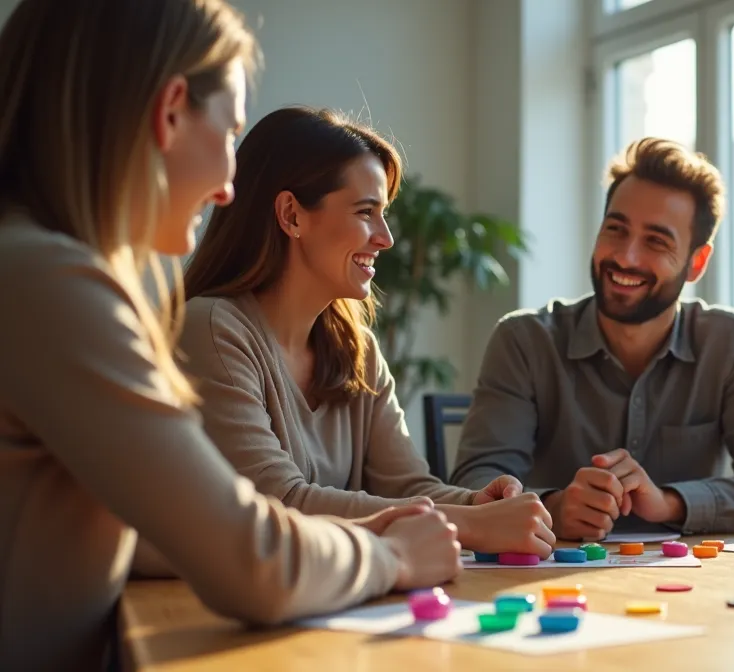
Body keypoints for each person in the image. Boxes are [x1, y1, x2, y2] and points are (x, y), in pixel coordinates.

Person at [0, 2, 461, 668]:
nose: (226, 188)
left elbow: (163, 533)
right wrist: (389, 553)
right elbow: (253, 561)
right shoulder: (48, 282)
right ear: (171, 111)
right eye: (229, 133)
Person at [180, 106, 555, 558]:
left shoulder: (357, 350)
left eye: (384, 214)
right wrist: (473, 525)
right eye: (365, 212)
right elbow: (277, 503)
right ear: (291, 215)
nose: (386, 238)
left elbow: (409, 485)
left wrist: (480, 503)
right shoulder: (213, 329)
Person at [450, 138, 734, 541]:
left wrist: (670, 502)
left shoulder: (731, 342)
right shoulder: (524, 341)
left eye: (656, 241)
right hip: (549, 581)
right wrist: (553, 506)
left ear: (696, 262)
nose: (625, 257)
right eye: (616, 229)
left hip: (689, 585)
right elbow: (473, 484)